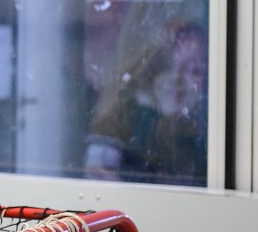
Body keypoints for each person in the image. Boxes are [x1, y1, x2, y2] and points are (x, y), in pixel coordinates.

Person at [83, 20, 207, 185]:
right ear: (151, 71)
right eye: (167, 66)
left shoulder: (207, 141)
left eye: (194, 70)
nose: (176, 78)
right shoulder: (120, 130)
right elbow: (98, 189)